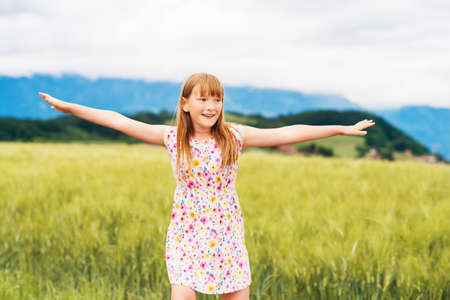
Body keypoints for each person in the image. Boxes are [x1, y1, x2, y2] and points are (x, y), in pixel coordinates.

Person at [38, 73, 375, 300]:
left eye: (217, 100)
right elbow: (118, 120)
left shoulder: (235, 136)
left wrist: (339, 129)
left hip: (227, 231)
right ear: (185, 103)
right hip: (186, 232)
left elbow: (288, 132)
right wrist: (71, 109)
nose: (212, 106)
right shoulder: (172, 137)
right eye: (203, 99)